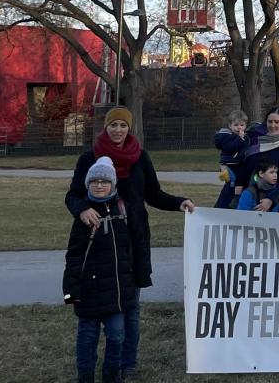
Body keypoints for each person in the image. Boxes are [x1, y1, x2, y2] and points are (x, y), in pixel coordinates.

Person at [65, 107, 194, 380]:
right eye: (113, 126)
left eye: (123, 126)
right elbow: (74, 195)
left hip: (134, 238)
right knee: (106, 308)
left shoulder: (140, 157)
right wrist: (81, 209)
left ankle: (128, 362)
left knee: (131, 305)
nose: (118, 131)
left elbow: (154, 194)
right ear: (105, 127)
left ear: (129, 129)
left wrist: (178, 202)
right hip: (100, 238)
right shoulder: (89, 158)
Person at [63, 156, 135, 383]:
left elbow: (130, 250)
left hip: (116, 292)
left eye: (105, 181)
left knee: (117, 337)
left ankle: (111, 376)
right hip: (89, 291)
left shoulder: (123, 210)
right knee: (87, 338)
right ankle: (85, 376)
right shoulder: (84, 215)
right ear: (88, 184)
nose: (100, 185)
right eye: (95, 181)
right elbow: (74, 255)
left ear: (113, 184)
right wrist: (70, 290)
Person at [239, 107, 279, 213]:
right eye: (270, 121)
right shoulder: (254, 137)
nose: (273, 125)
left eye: (277, 122)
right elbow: (242, 160)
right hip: (248, 191)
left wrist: (271, 200)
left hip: (272, 197)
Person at [213, 110, 250, 208]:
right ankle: (231, 201)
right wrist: (240, 139)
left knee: (242, 179)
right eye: (236, 125)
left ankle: (237, 199)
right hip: (230, 164)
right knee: (235, 182)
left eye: (242, 125)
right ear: (230, 126)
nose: (239, 127)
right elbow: (231, 147)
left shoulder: (244, 137)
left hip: (238, 163)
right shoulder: (226, 136)